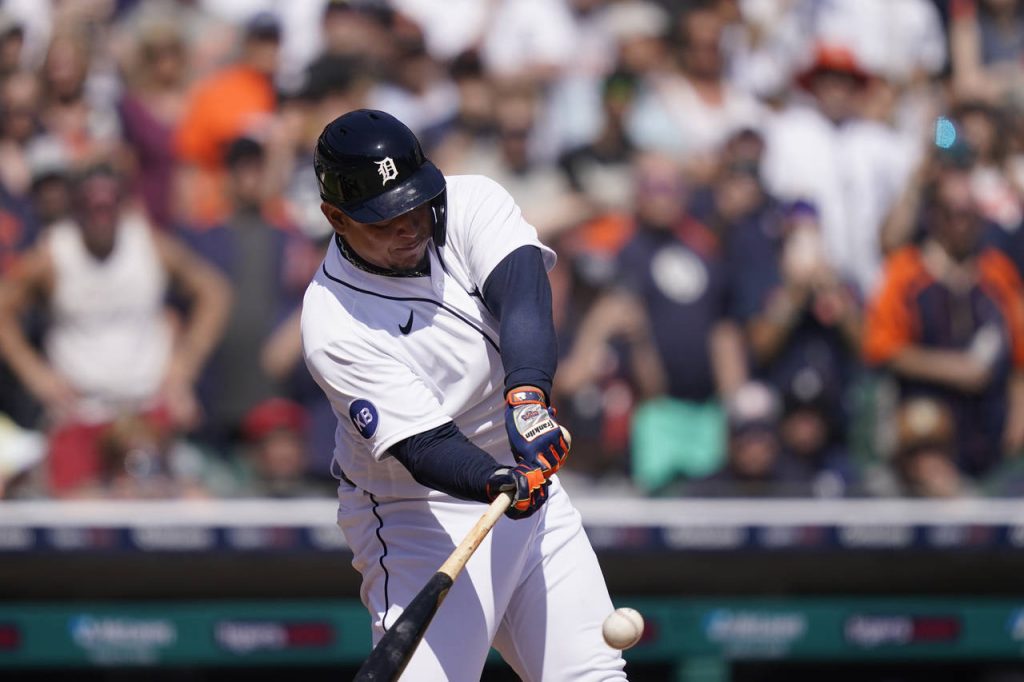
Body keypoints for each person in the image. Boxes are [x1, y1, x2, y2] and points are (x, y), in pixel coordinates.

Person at [301, 109, 625, 681]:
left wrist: (527, 401)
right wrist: (494, 480)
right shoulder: (332, 322)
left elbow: (524, 296)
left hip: (528, 487)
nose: (408, 226)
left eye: (413, 205)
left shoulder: (470, 201)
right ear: (336, 217)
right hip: (416, 516)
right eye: (384, 219)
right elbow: (424, 447)